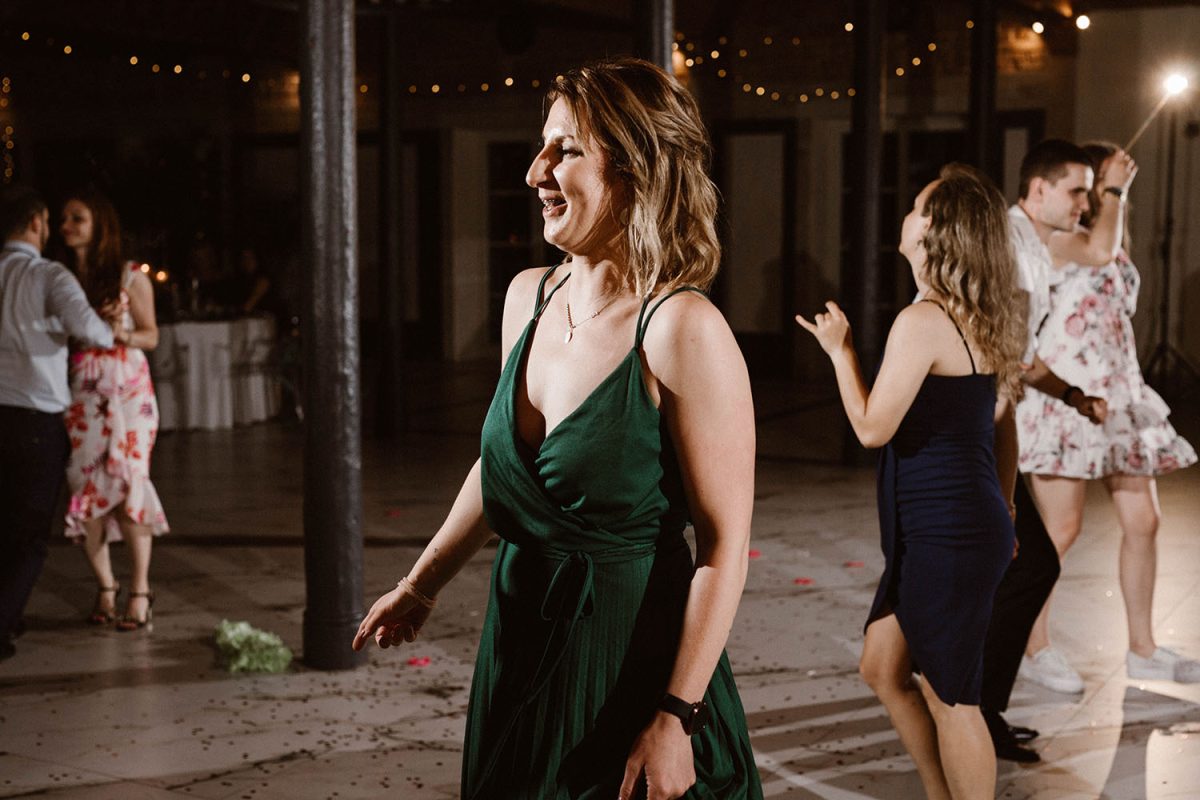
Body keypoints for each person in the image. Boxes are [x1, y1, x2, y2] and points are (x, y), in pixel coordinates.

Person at [353, 58, 762, 800]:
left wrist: (677, 715)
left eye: (565, 150)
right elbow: (503, 470)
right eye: (542, 147)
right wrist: (421, 585)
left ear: (635, 170)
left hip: (628, 656)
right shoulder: (527, 297)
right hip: (519, 637)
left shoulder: (681, 328)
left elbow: (724, 547)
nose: (535, 171)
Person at [798, 164, 1025, 799]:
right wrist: (1005, 509)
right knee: (883, 665)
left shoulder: (922, 320)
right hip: (952, 526)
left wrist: (841, 352)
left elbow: (872, 429)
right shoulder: (981, 315)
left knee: (953, 696)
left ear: (934, 231)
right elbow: (1004, 429)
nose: (906, 213)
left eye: (917, 205)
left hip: (947, 533)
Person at [1017, 141, 1199, 684]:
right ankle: (1033, 647)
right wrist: (1114, 187)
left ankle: (1143, 647)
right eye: (1088, 186)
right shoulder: (1059, 238)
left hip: (1119, 396)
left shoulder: (1110, 234)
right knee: (1061, 529)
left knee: (1144, 521)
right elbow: (1096, 253)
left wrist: (1116, 197)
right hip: (1065, 396)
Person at [975, 139, 1111, 762]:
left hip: (989, 419)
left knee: (1020, 565)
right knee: (1029, 565)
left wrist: (1073, 395)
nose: (1085, 203)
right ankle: (973, 710)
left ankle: (978, 708)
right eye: (1076, 190)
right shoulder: (1011, 247)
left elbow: (1020, 355)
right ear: (1038, 189)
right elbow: (1000, 353)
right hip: (976, 423)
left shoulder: (1031, 245)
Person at [0, 185, 117, 660]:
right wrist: (105, 326)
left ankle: (9, 613)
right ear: (36, 222)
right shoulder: (48, 273)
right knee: (28, 534)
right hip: (33, 418)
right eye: (49, 221)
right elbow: (92, 330)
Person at [60, 189, 169, 631]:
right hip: (83, 392)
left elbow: (151, 335)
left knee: (130, 483)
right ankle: (106, 585)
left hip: (128, 392)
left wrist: (117, 333)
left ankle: (140, 590)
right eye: (64, 219)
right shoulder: (63, 278)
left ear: (99, 225)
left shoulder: (129, 276)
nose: (66, 226)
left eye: (77, 218)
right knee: (86, 486)